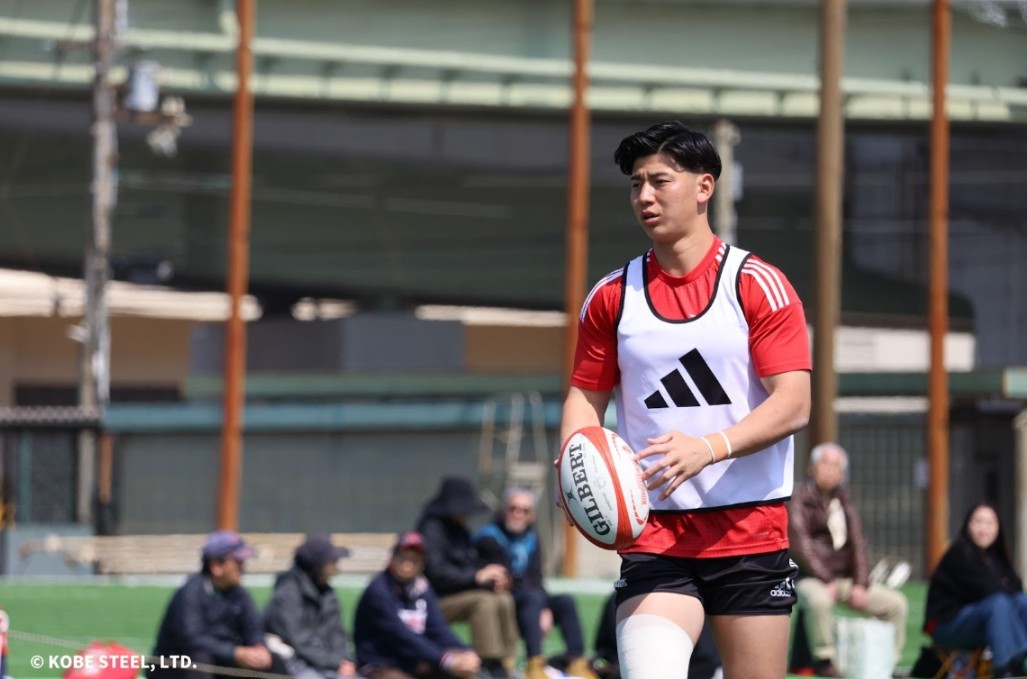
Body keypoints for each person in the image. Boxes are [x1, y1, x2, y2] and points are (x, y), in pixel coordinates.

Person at [559, 120, 812, 679]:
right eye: (635, 184)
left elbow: (794, 403)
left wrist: (709, 447)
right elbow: (585, 395)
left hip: (748, 529)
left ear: (704, 186)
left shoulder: (757, 284)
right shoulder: (611, 296)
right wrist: (576, 464)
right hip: (655, 533)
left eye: (659, 181)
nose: (644, 196)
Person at [788, 442, 909, 677]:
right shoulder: (798, 502)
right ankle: (825, 659)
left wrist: (861, 583)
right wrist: (827, 580)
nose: (829, 470)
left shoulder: (845, 504)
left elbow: (859, 545)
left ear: (842, 474)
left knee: (897, 604)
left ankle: (889, 660)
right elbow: (802, 548)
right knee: (820, 600)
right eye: (824, 463)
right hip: (809, 578)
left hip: (845, 580)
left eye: (836, 466)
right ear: (811, 468)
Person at [474, 487, 598, 679]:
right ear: (503, 510)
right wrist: (540, 605)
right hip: (503, 601)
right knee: (532, 598)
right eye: (513, 508)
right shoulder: (489, 537)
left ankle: (577, 661)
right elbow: (507, 580)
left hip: (531, 601)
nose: (518, 514)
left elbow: (536, 578)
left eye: (525, 510)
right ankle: (534, 662)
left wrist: (545, 609)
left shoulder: (531, 539)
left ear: (532, 515)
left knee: (565, 601)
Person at [415, 476, 519, 679]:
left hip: (459, 595)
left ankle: (505, 661)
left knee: (503, 598)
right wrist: (476, 576)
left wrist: (492, 577)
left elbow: (469, 563)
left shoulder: (460, 530)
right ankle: (487, 663)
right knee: (483, 602)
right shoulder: (431, 529)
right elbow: (437, 573)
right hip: (434, 602)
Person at [148, 531, 286, 679]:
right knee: (200, 659)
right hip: (173, 666)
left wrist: (259, 647)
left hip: (220, 660)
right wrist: (234, 653)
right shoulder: (190, 593)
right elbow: (192, 640)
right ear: (216, 566)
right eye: (238, 562)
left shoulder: (240, 594)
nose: (243, 568)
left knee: (273, 661)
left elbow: (253, 629)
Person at [354, 531, 481, 679]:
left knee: (464, 667)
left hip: (413, 661)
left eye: (414, 560)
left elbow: (439, 630)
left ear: (422, 563)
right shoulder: (379, 590)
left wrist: (466, 652)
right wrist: (446, 660)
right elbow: (400, 636)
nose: (407, 564)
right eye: (403, 558)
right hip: (381, 663)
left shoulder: (422, 588)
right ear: (392, 558)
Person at [923, 502, 1027, 678]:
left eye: (990, 523)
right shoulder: (959, 553)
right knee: (998, 604)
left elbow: (1016, 587)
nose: (983, 528)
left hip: (981, 620)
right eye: (978, 522)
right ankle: (1005, 669)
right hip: (945, 625)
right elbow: (985, 590)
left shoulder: (996, 556)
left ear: (998, 527)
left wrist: (1003, 587)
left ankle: (1018, 663)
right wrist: (1002, 585)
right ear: (968, 525)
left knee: (1022, 601)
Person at [264, 534, 359, 678]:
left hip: (327, 663)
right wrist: (335, 662)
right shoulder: (287, 593)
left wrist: (344, 661)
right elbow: (298, 641)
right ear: (318, 565)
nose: (336, 564)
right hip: (295, 664)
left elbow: (337, 634)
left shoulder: (327, 593)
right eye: (332, 560)